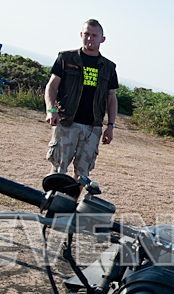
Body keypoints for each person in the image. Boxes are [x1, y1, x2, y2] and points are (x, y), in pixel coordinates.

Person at [45, 19, 119, 179]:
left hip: (93, 127)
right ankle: (52, 196)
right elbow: (52, 87)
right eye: (86, 34)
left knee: (82, 175)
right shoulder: (66, 58)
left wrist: (110, 126)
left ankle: (71, 197)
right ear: (81, 35)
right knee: (58, 169)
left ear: (102, 39)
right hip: (66, 122)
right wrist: (51, 110)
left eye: (94, 35)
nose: (90, 38)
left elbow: (111, 97)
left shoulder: (108, 67)